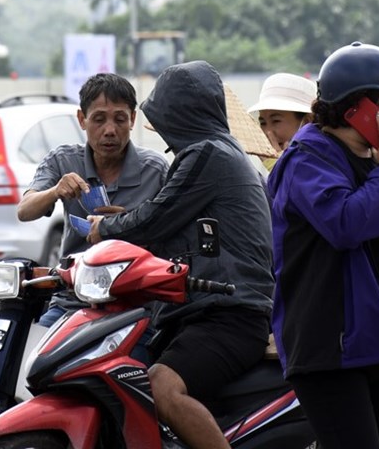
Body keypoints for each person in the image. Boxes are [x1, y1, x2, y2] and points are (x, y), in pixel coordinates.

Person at [268, 42, 379, 449]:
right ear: (359, 109)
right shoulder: (305, 161)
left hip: (377, 348)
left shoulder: (370, 160)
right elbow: (347, 224)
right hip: (330, 353)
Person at [88, 60, 275, 449]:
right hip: (206, 310)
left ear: (180, 113)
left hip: (228, 314)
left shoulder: (207, 154)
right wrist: (126, 222)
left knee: (161, 387)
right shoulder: (214, 152)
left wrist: (102, 229)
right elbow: (169, 226)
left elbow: (154, 220)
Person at [17, 73, 169, 327]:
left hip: (135, 303)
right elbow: (25, 211)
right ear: (82, 119)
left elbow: (171, 235)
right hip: (72, 300)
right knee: (34, 358)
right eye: (99, 119)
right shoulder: (62, 160)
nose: (110, 130)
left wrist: (127, 225)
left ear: (132, 119)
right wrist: (55, 190)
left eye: (120, 119)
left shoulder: (155, 169)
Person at [248, 72, 317, 170]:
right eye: (263, 123)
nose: (268, 133)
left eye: (276, 121)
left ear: (307, 121)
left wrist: (279, 170)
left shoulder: (323, 159)